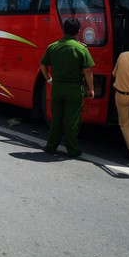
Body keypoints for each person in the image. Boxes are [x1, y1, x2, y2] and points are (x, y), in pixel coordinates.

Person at [39, 17, 95, 158]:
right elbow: (87, 71)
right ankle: (72, 149)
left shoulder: (53, 46)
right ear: (78, 31)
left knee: (56, 118)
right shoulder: (81, 48)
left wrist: (48, 78)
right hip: (74, 89)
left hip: (57, 88)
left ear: (64, 29)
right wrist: (91, 88)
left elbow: (43, 65)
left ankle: (51, 147)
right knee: (72, 120)